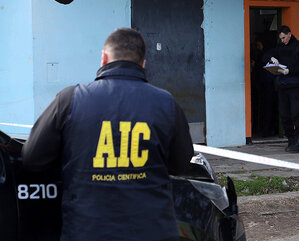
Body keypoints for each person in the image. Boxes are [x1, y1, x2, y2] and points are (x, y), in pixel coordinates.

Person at [21, 28, 194, 241]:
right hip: (152, 230)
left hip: (87, 231)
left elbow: (32, 158)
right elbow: (181, 164)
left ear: (103, 58)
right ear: (143, 63)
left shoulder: (70, 100)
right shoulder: (167, 103)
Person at [267, 25, 299, 153]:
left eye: (284, 38)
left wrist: (289, 71)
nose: (283, 40)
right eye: (281, 38)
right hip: (282, 85)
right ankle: (291, 140)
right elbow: (269, 54)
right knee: (284, 115)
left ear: (289, 34)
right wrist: (272, 59)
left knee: (296, 114)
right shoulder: (280, 47)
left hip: (294, 85)